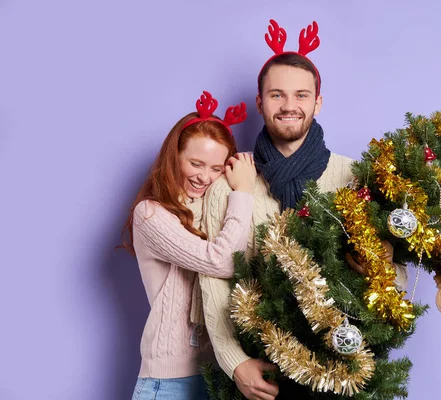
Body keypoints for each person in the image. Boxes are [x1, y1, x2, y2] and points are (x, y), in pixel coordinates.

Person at [191, 21, 355, 400]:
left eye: (301, 95)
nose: (289, 106)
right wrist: (235, 362)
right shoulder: (230, 183)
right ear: (260, 103)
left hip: (337, 364)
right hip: (259, 367)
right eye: (277, 95)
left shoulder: (350, 175)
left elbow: (386, 269)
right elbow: (213, 279)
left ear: (318, 102)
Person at [121, 91, 257, 400]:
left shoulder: (215, 209)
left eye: (216, 168)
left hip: (220, 373)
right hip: (169, 382)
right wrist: (244, 192)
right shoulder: (151, 214)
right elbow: (221, 260)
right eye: (196, 163)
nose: (204, 177)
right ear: (175, 157)